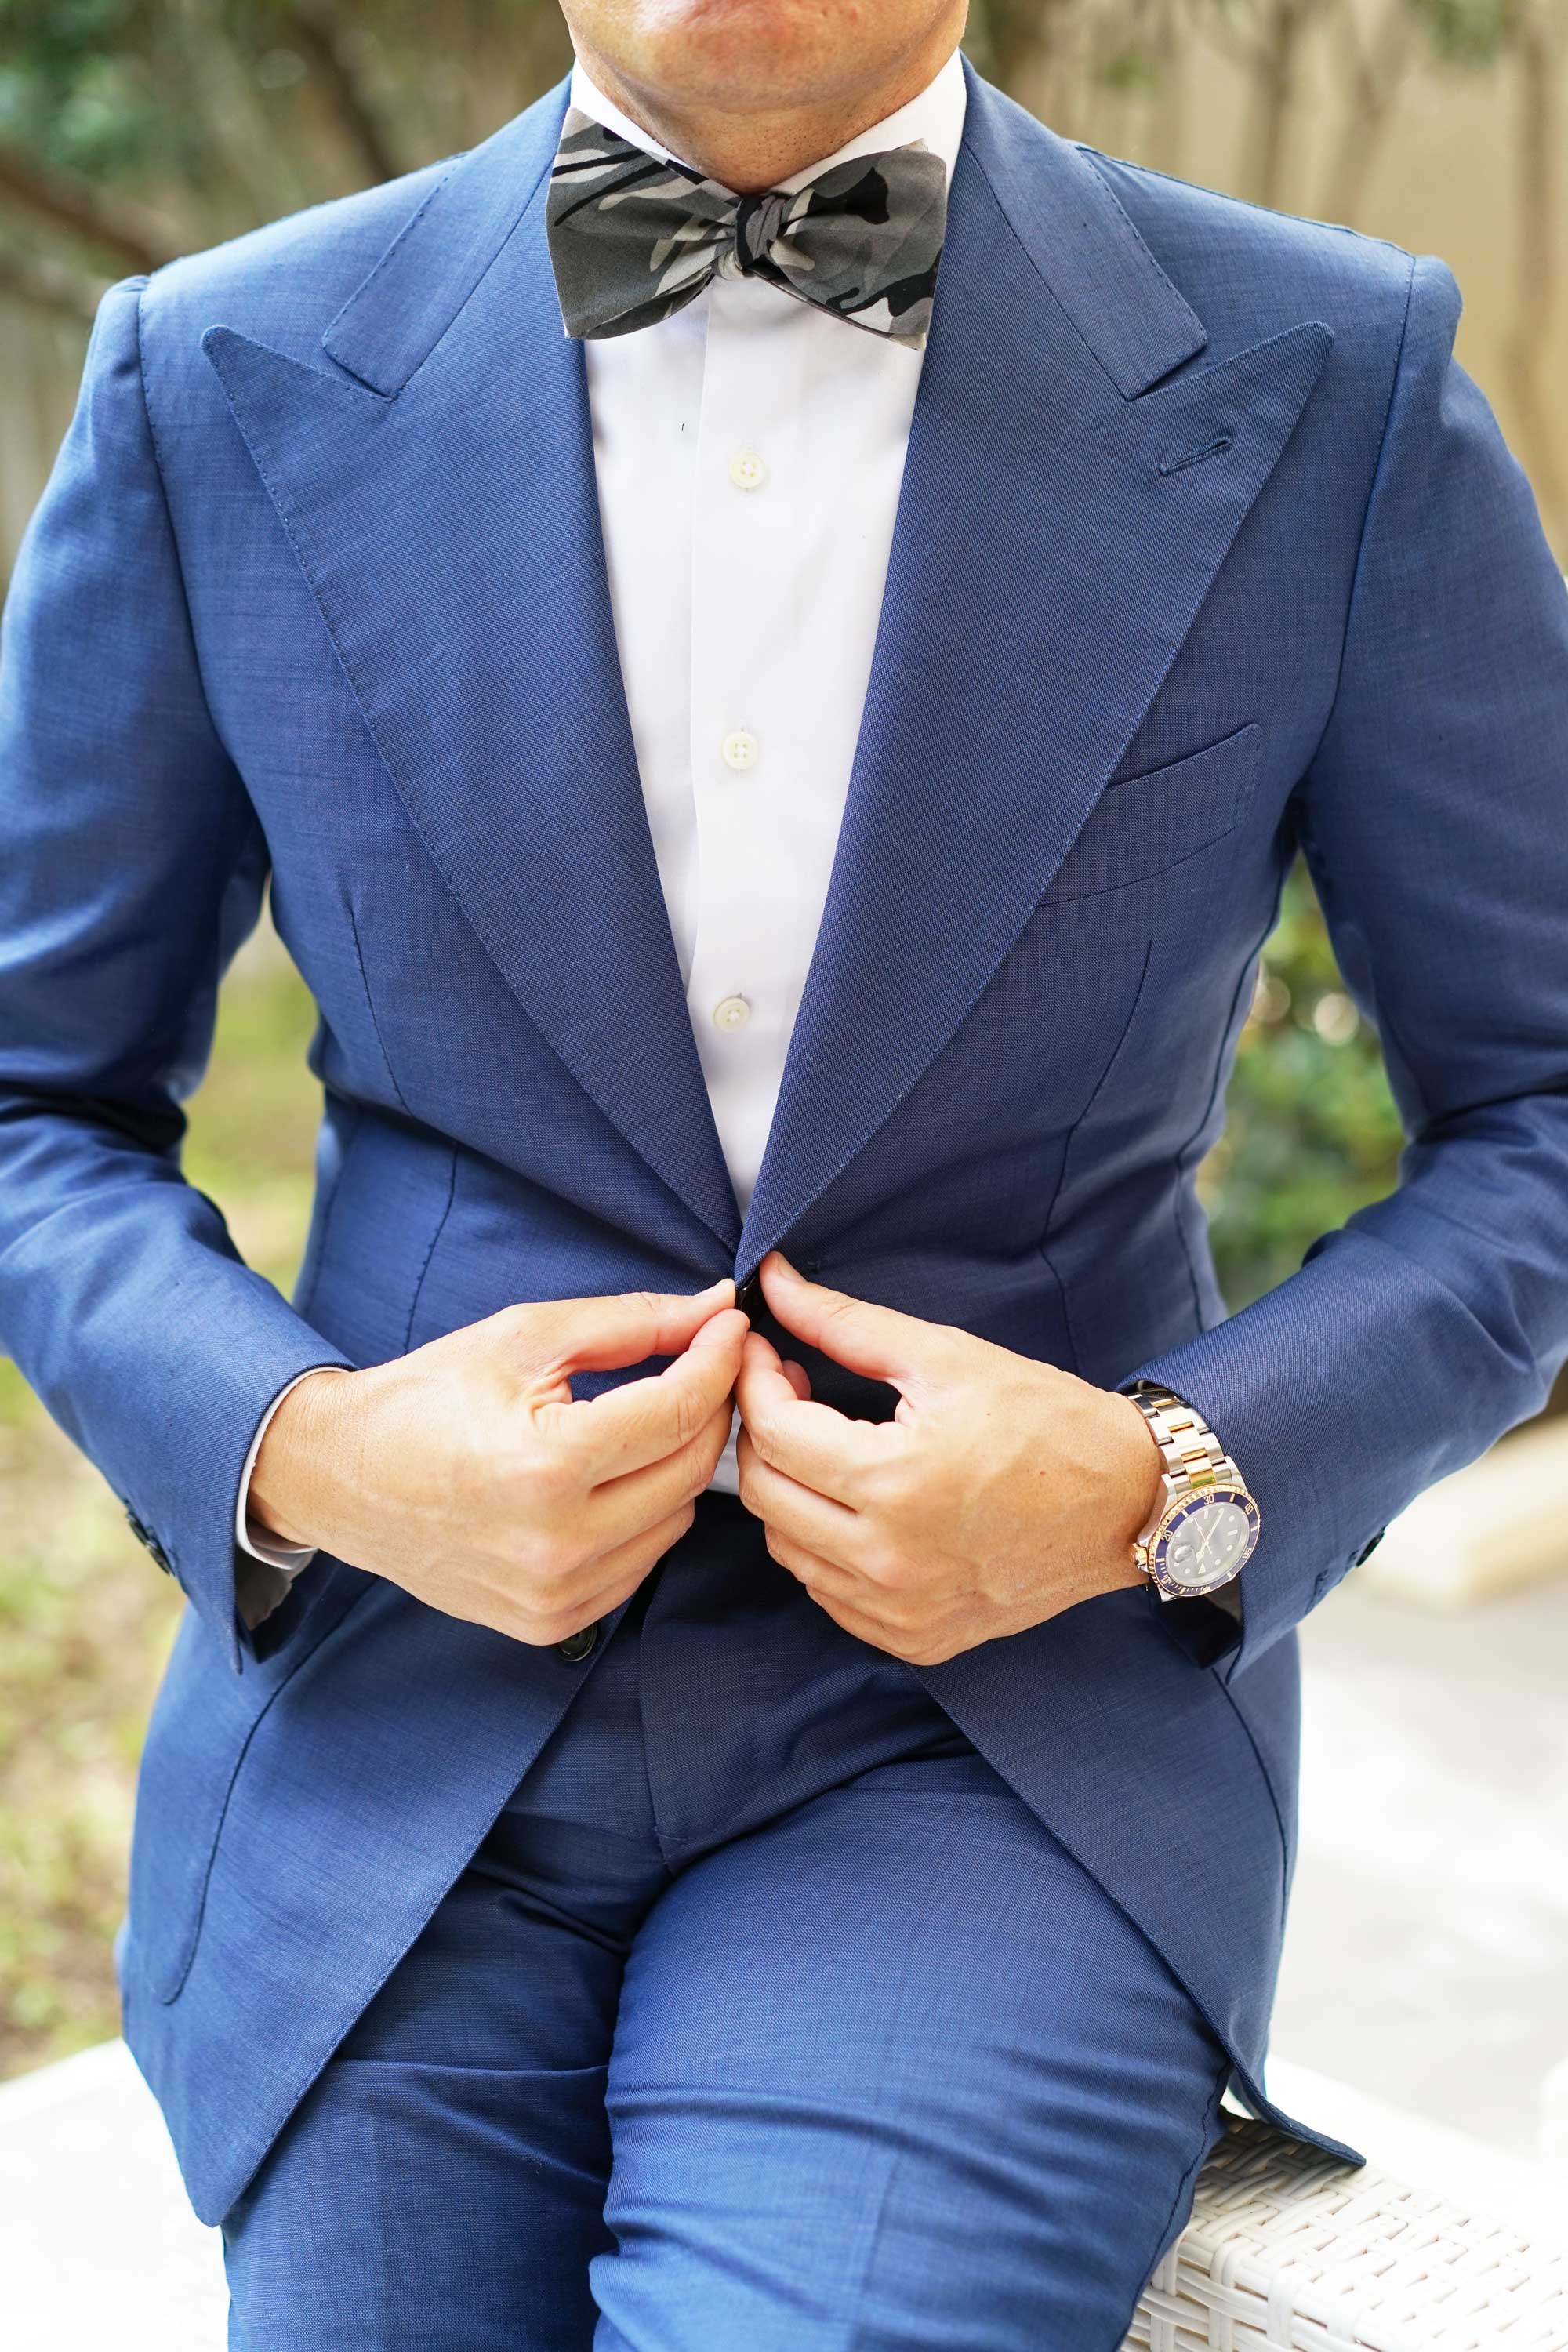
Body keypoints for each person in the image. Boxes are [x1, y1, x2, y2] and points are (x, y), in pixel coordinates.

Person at [2, 0, 1566, 2340]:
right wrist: (315, 1451)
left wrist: (1167, 1477)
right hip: (402, 1737)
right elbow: (36, 1095)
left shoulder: (1328, 379)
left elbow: (1541, 1109)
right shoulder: (209, 375)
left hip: (993, 1738)